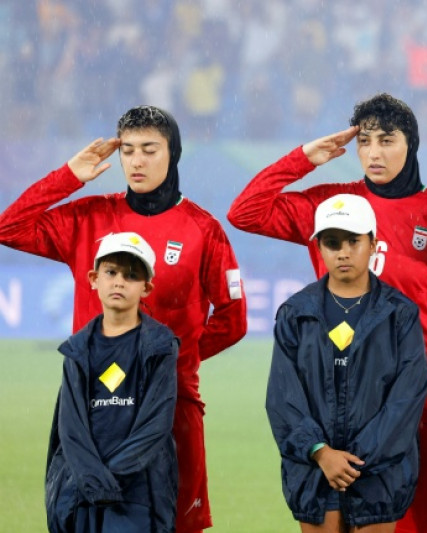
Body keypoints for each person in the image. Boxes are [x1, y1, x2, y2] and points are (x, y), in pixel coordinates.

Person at [228, 93, 427, 533]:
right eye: (364, 141)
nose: (373, 152)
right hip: (333, 394)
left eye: (386, 140)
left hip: (416, 396)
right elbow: (245, 212)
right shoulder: (330, 208)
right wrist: (304, 159)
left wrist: (411, 348)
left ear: (411, 144)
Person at [0, 105, 248, 533]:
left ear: (174, 154)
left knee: (177, 525)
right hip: (91, 406)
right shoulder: (88, 217)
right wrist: (67, 177)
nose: (136, 161)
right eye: (128, 150)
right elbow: (9, 228)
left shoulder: (202, 229)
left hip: (171, 405)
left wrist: (173, 363)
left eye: (149, 149)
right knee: (82, 519)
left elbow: (233, 317)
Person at [266, 194, 427, 532]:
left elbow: (407, 397)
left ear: (374, 244)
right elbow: (283, 398)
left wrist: (354, 461)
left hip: (378, 474)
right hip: (314, 471)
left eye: (354, 240)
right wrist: (322, 453)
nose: (343, 252)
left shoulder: (400, 313)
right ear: (319, 248)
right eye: (331, 242)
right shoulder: (296, 313)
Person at [47, 232, 179, 532]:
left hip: (138, 493)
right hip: (83, 489)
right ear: (94, 278)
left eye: (131, 275)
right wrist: (93, 480)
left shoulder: (161, 346)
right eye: (111, 272)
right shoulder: (77, 350)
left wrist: (109, 479)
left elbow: (154, 426)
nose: (119, 281)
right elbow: (71, 429)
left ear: (146, 287)